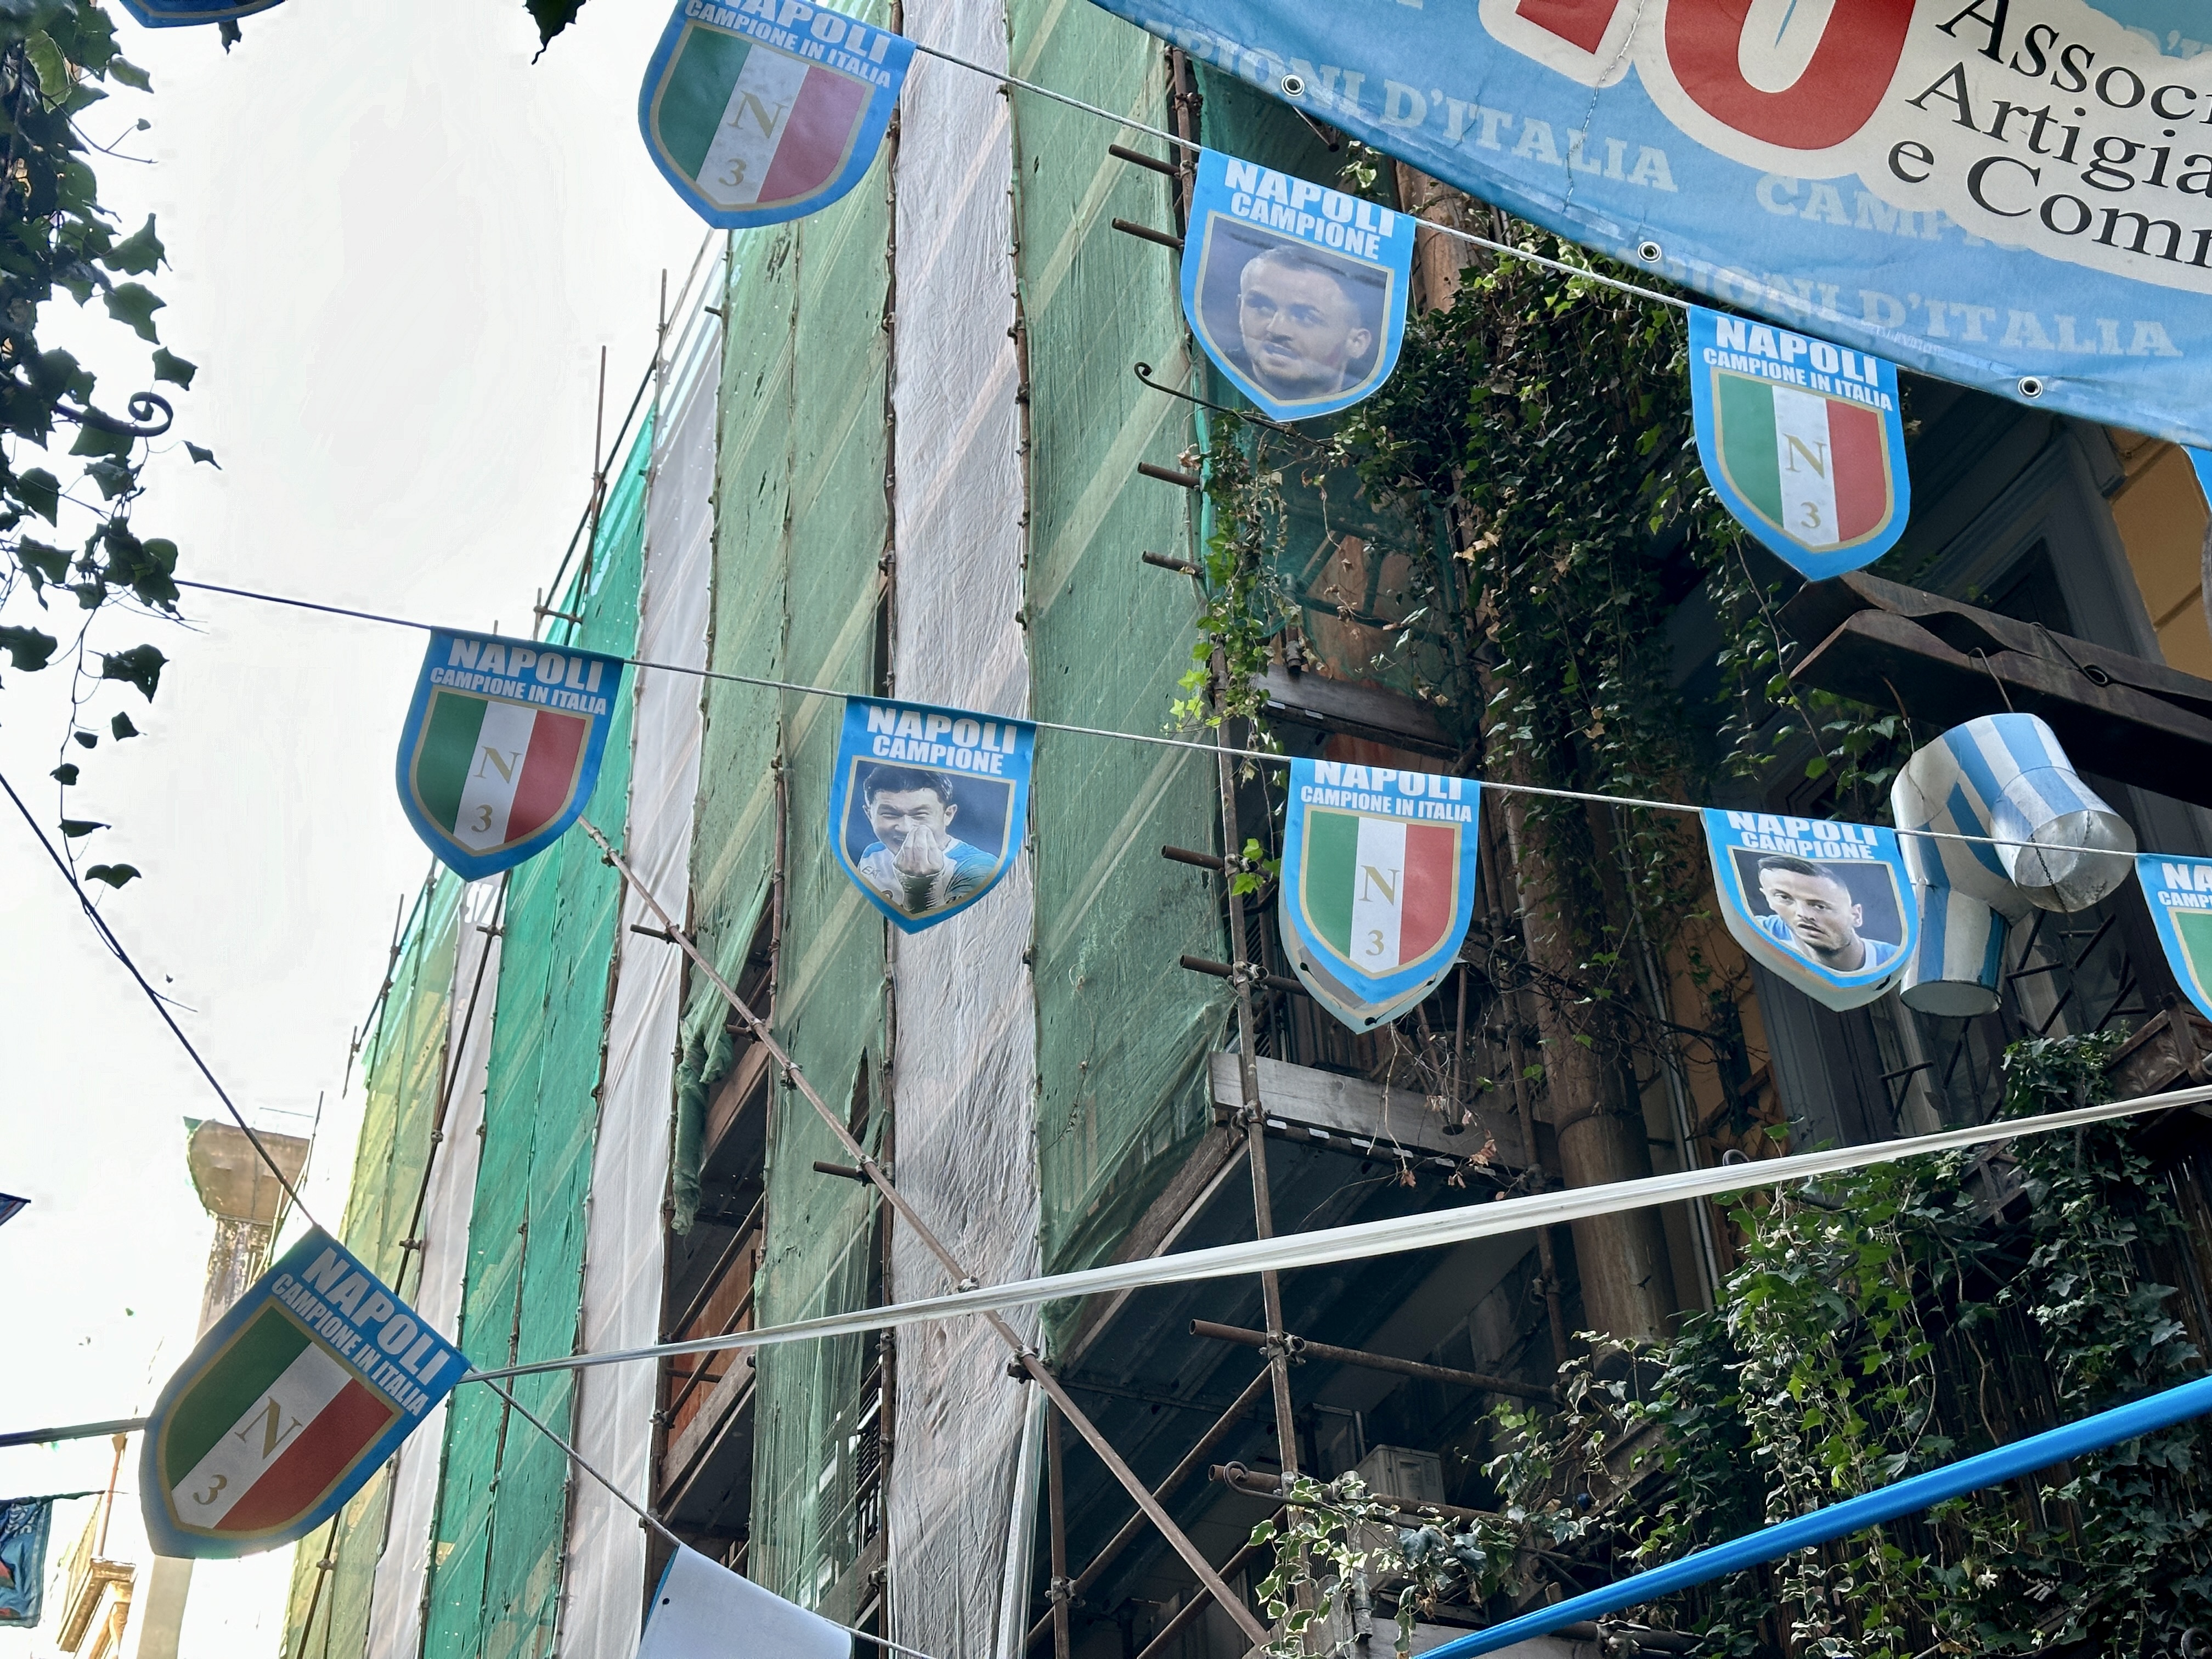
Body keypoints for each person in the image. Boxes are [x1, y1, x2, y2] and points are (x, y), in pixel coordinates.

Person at [1235, 245, 1375, 402]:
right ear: (1240, 309)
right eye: (1262, 307)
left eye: (1305, 317)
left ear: (1356, 342)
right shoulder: (1217, 383)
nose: (1277, 329)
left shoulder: (1375, 408)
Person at [854, 766, 1000, 917]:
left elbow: (962, 926)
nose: (906, 828)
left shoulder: (980, 868)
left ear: (948, 815)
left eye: (920, 815)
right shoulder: (873, 853)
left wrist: (922, 891)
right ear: (870, 815)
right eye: (890, 815)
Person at [1753, 855, 1898, 974]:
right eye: (1784, 898)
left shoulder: (1894, 961)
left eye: (1820, 906)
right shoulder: (1757, 932)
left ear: (1856, 916)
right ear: (1768, 898)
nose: (1803, 914)